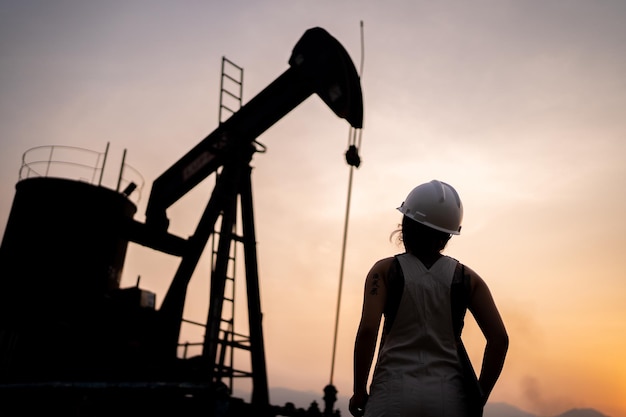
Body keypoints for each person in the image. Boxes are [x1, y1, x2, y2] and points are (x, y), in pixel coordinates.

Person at [349, 180, 508, 417]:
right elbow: (499, 339)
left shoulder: (383, 271)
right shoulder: (468, 279)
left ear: (406, 224)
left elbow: (368, 329)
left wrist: (359, 390)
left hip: (391, 395)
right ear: (448, 235)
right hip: (449, 399)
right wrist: (479, 395)